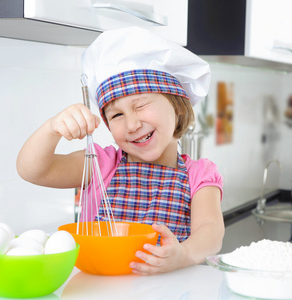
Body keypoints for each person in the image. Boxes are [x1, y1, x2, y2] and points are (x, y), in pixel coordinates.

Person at [17, 27, 225, 275]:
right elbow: (33, 171)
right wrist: (52, 129)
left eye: (141, 105)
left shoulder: (200, 175)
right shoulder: (100, 165)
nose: (132, 124)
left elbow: (211, 230)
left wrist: (184, 254)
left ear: (178, 106)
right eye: (117, 115)